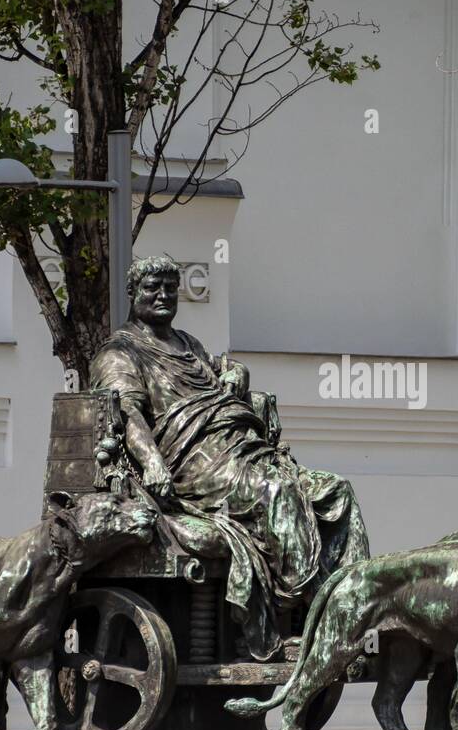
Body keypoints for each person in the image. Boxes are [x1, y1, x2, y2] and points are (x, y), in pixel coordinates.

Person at [89, 255, 369, 659]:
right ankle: (296, 610)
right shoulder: (119, 353)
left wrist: (236, 370)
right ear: (133, 294)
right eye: (152, 287)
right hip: (193, 465)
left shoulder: (189, 345)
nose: (164, 294)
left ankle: (353, 607)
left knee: (335, 490)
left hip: (240, 448)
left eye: (171, 286)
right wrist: (152, 463)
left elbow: (219, 370)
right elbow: (127, 413)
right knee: (277, 493)